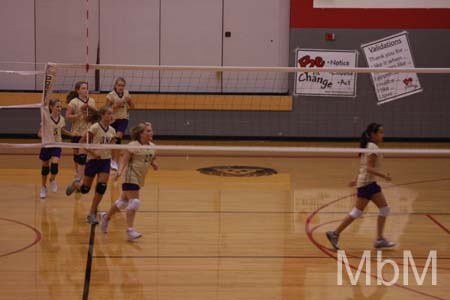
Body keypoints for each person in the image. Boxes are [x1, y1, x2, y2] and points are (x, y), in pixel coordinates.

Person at [326, 123, 395, 249]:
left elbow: (363, 168)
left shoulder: (369, 146)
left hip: (367, 183)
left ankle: (336, 234)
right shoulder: (372, 148)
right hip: (368, 185)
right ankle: (335, 234)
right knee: (363, 211)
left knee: (375, 210)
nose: (382, 134)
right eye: (380, 132)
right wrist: (384, 176)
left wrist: (356, 179)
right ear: (373, 134)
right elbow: (368, 168)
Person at [99, 122, 158, 241]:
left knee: (122, 203)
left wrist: (153, 164)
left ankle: (106, 217)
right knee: (134, 202)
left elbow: (149, 157)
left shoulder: (152, 146)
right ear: (141, 134)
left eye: (151, 130)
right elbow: (124, 159)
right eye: (148, 131)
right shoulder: (133, 145)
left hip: (140, 178)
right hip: (130, 176)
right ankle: (130, 230)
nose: (151, 133)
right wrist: (120, 171)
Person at [66, 106, 116, 224]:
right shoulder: (94, 128)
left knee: (101, 186)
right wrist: (93, 152)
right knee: (85, 189)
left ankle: (92, 213)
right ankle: (76, 184)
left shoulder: (112, 130)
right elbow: (81, 142)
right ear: (102, 115)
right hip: (93, 161)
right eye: (109, 113)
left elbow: (113, 146)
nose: (111, 116)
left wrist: (114, 161)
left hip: (105, 161)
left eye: (112, 114)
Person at [38, 98, 78, 199]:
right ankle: (43, 187)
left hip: (57, 144)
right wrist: (44, 136)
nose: (59, 108)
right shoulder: (46, 118)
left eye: (60, 106)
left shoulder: (62, 119)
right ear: (51, 107)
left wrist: (71, 134)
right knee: (45, 168)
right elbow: (39, 132)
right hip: (47, 145)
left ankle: (52, 179)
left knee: (55, 166)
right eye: (57, 107)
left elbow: (62, 130)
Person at [65, 81, 98, 181]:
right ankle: (77, 173)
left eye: (86, 88)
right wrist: (78, 115)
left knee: (87, 154)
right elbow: (67, 116)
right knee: (77, 155)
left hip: (89, 132)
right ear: (78, 90)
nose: (85, 90)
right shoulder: (74, 102)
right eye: (83, 88)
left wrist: (90, 114)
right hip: (77, 132)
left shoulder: (91, 101)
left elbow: (97, 116)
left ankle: (85, 173)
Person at [105, 77, 134, 171]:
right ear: (115, 86)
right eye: (119, 85)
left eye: (122, 85)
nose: (121, 87)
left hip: (123, 119)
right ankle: (110, 159)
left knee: (117, 139)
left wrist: (130, 100)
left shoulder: (126, 94)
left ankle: (115, 162)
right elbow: (105, 110)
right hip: (113, 120)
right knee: (112, 141)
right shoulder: (111, 95)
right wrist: (115, 105)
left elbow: (133, 106)